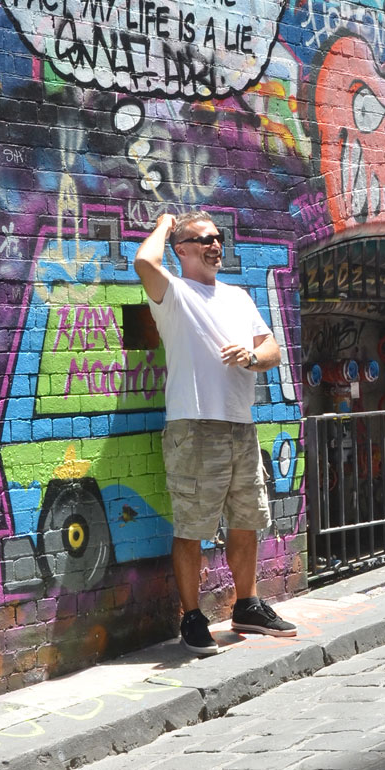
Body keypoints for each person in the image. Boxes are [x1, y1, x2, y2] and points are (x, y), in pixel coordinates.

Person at [135, 210, 297, 655]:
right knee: (192, 526)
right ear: (182, 249)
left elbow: (272, 348)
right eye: (203, 239)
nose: (214, 245)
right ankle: (191, 617)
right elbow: (145, 262)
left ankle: (246, 605)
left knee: (247, 520)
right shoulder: (174, 293)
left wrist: (251, 356)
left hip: (241, 425)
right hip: (194, 424)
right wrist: (167, 222)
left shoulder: (238, 297)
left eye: (218, 237)